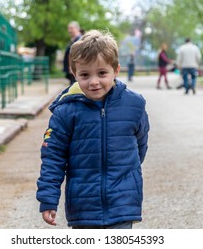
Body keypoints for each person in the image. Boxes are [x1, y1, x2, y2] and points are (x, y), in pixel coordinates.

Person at [36, 30, 150, 229]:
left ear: (116, 70)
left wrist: (126, 172)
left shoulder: (134, 104)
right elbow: (53, 157)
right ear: (74, 74)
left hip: (122, 203)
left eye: (102, 73)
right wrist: (48, 198)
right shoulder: (66, 111)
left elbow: (140, 144)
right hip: (84, 206)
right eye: (85, 75)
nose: (94, 81)